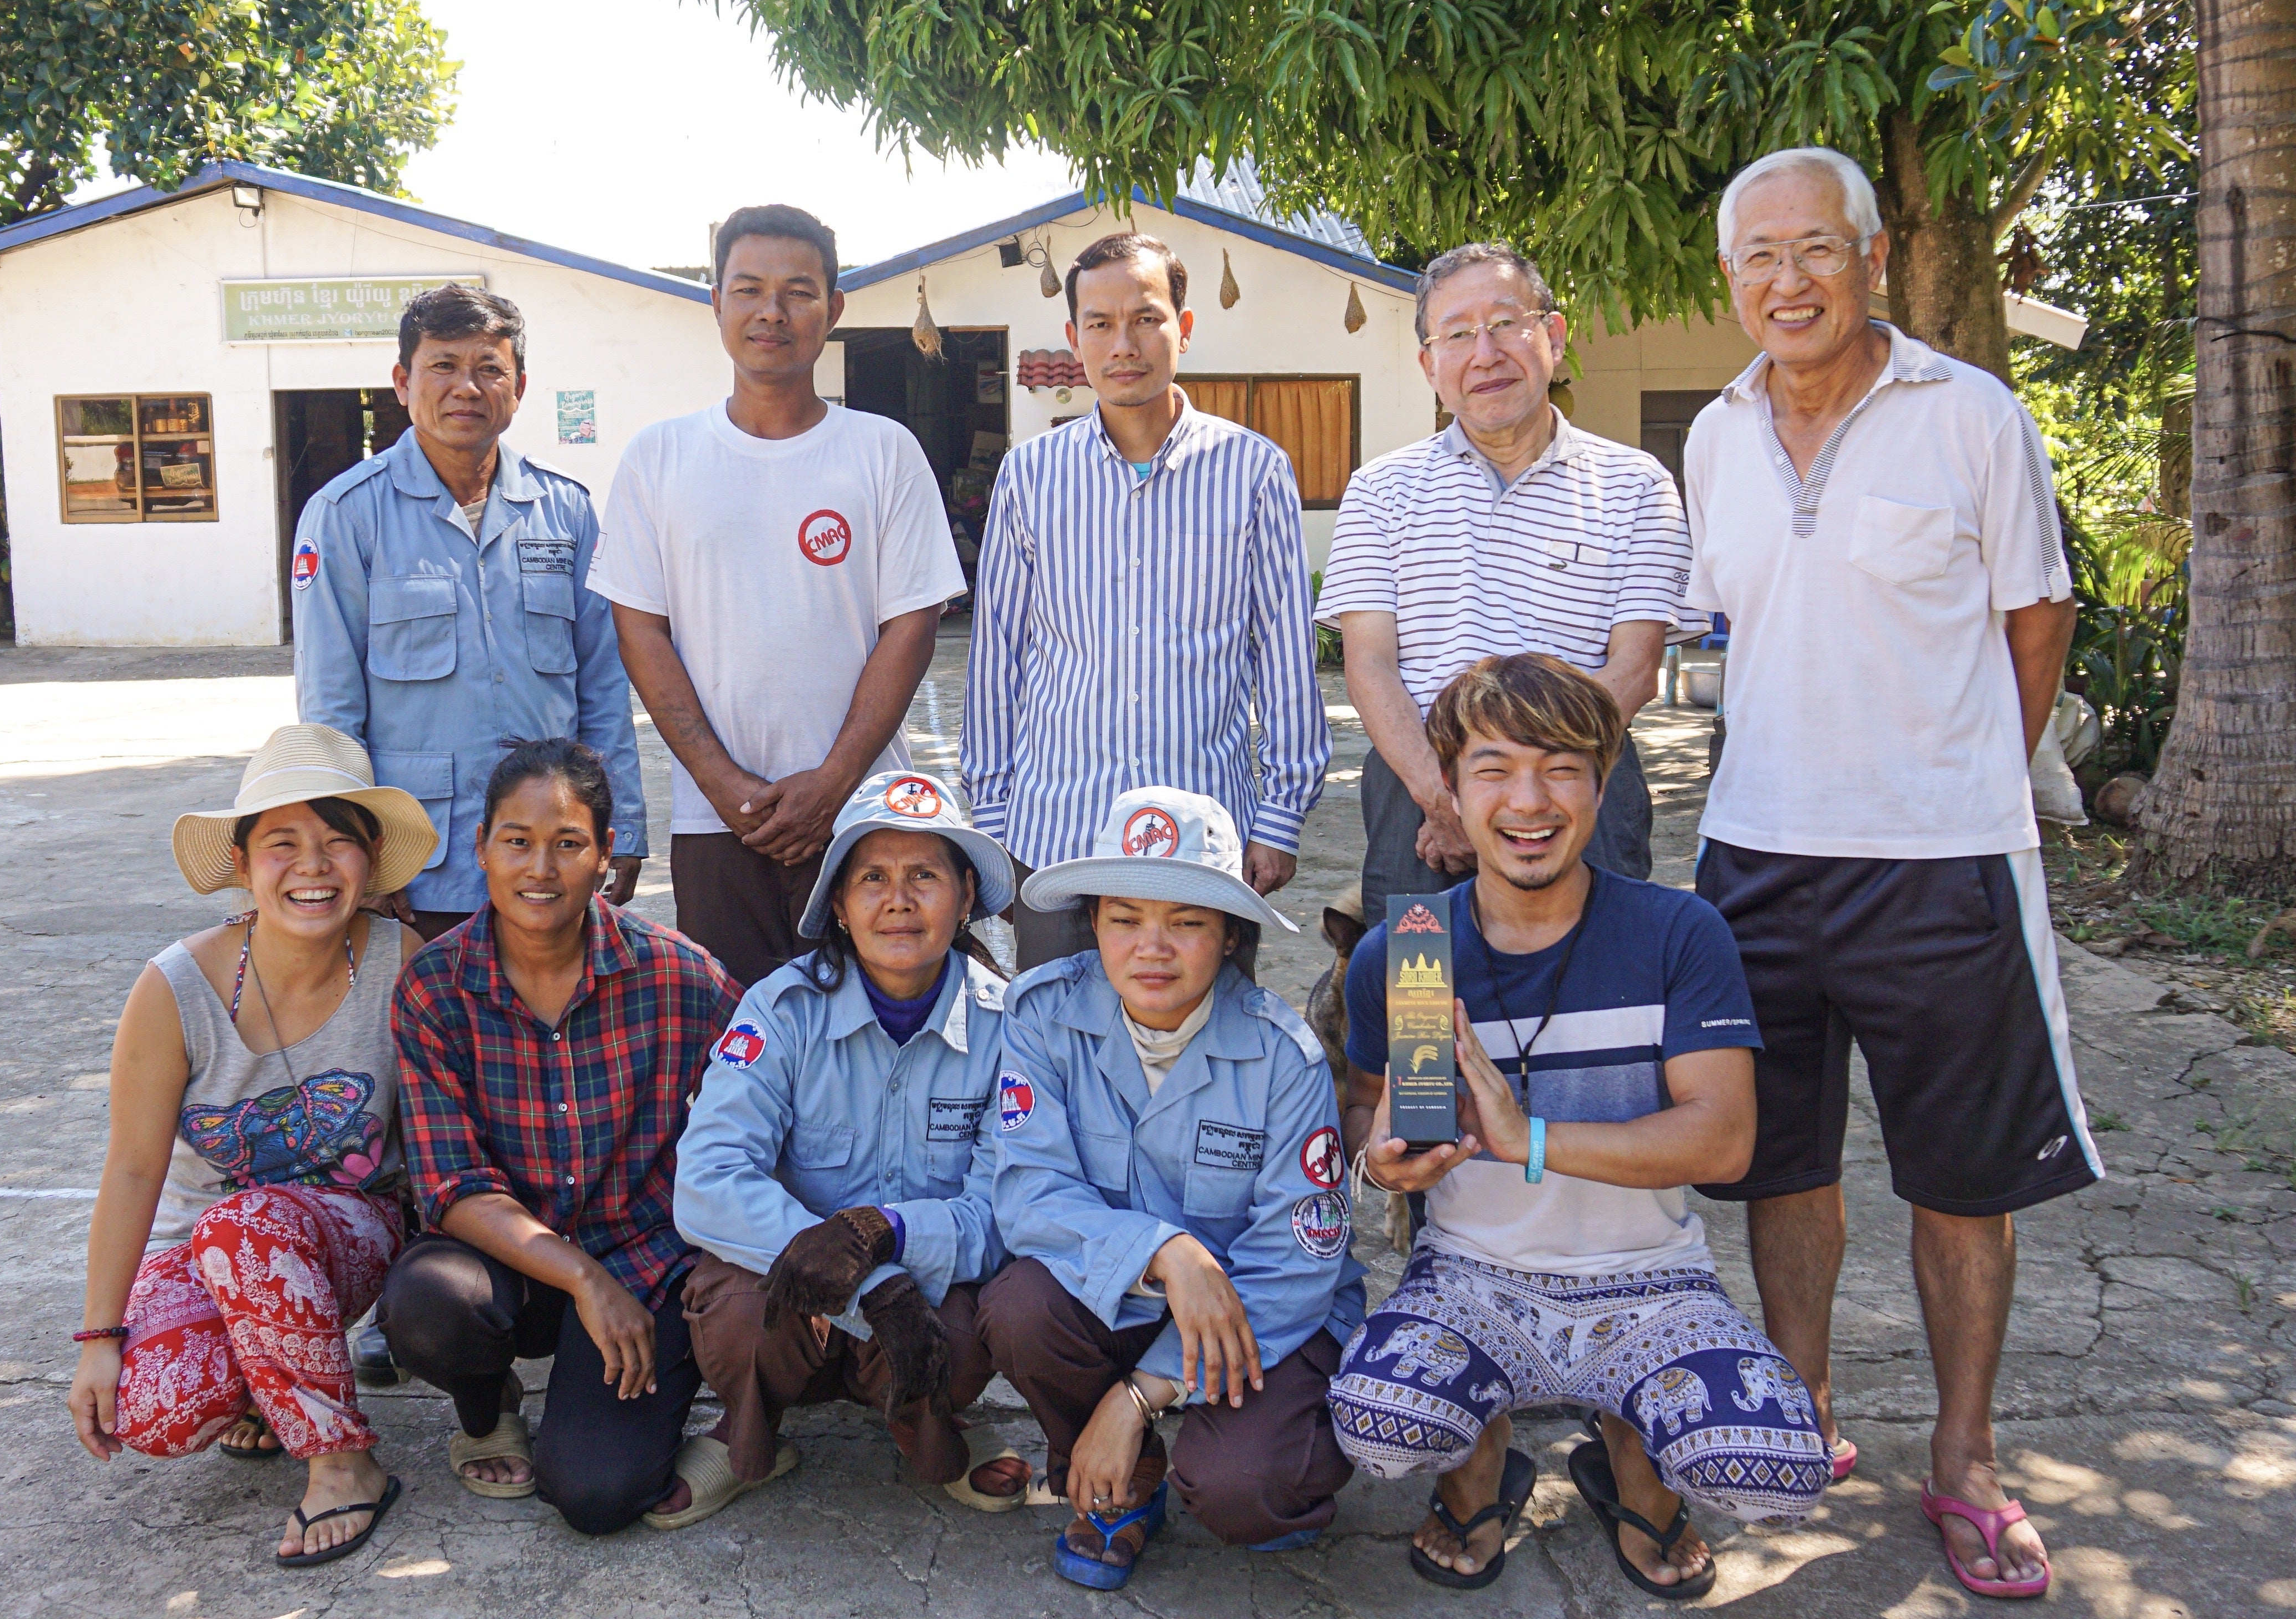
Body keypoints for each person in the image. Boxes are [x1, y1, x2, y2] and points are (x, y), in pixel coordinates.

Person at [1681, 146, 2090, 1601]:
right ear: (1731, 278)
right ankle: (1800, 1408)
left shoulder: (1971, 414)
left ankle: (1966, 1454)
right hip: (1756, 854)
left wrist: (1968, 778)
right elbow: (1735, 627)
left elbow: (2037, 618)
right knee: (1780, 1157)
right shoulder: (1716, 435)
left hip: (1940, 865)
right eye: (1759, 255)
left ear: (1869, 259)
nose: (1787, 280)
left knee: (1961, 1175)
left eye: (1816, 249)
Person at [1329, 655, 1827, 1600]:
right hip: (1472, 1278)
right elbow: (1363, 1102)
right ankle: (1482, 1459)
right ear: (1451, 791)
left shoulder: (1679, 934)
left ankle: (1628, 1446)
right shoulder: (1407, 951)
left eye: (1562, 769)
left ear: (1602, 785)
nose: (1529, 801)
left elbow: (1725, 1142)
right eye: (1494, 771)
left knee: (1772, 1472)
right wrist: (1382, 1157)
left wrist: (1531, 1138)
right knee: (1381, 1427)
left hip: (1655, 1284)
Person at [65, 724, 432, 1568]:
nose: (313, 866)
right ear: (241, 863)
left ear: (372, 859)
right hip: (204, 1242)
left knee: (249, 1225)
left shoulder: (399, 962)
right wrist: (100, 1338)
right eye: (283, 844)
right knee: (154, 1410)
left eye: (337, 841)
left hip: (347, 1235)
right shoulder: (174, 987)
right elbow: (133, 1169)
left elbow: (438, 1134)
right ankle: (273, 1388)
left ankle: (342, 1462)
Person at [984, 786, 1363, 1590]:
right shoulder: (1041, 1016)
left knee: (1245, 1495)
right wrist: (1166, 1251)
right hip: (1123, 1295)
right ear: (1093, 923)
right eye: (1125, 919)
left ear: (1231, 935)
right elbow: (1028, 1194)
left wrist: (1136, 1396)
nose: (1152, 948)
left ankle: (1160, 1435)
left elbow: (1297, 1265)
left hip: (1257, 1315)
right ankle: (1123, 1481)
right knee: (1018, 1306)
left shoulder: (1284, 1057)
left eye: (1187, 922)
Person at [592, 205, 967, 989]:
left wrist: (834, 782)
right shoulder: (659, 458)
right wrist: (725, 787)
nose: (772, 311)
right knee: (738, 1038)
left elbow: (911, 628)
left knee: (880, 1032)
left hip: (865, 818)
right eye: (748, 289)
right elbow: (640, 634)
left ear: (834, 308)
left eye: (798, 291)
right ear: (716, 303)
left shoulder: (883, 452)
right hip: (716, 825)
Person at [377, 738, 745, 1535]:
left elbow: (772, 1088)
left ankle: (676, 1409)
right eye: (518, 841)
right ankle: (487, 1407)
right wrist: (581, 1277)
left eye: (569, 843)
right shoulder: (435, 985)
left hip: (643, 1262)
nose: (540, 869)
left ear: (606, 854)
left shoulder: (677, 975)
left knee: (596, 1494)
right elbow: (450, 1186)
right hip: (505, 1264)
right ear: (482, 848)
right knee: (428, 1301)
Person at [668, 769, 1036, 1524]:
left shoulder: (1010, 1027)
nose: (898, 900)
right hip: (794, 1289)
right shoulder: (781, 1009)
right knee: (736, 1315)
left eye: (925, 876)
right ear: (837, 903)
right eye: (872, 878)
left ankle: (926, 1416)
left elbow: (1008, 1210)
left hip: (926, 1282)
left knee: (966, 1331)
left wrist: (888, 1235)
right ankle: (748, 1432)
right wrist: (861, 1282)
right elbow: (706, 1180)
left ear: (966, 895)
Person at [964, 231, 1327, 972]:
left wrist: (1280, 817)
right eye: (1100, 323)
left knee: (1207, 1041)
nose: (1123, 344)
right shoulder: (1031, 476)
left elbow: (1284, 655)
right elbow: (997, 658)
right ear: (1074, 339)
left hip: (1205, 846)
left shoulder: (1252, 471)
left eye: (1146, 319)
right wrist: (995, 823)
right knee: (1058, 1038)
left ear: (1183, 329)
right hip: (1057, 841)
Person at [1316, 241, 1691, 924]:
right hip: (1418, 790)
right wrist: (1447, 797)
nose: (1485, 354)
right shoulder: (1380, 491)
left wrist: (1526, 788)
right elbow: (1369, 667)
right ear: (1430, 366)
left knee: (1595, 980)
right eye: (1457, 335)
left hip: (1587, 782)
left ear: (1553, 335)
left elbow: (1636, 669)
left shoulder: (1636, 485)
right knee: (1424, 984)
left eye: (1505, 324)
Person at [294, 281, 647, 939]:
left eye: (490, 369)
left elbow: (603, 686)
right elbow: (330, 712)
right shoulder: (347, 515)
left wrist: (621, 823)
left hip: (550, 854)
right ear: (403, 382)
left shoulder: (564, 509)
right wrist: (357, 849)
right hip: (419, 862)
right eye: (444, 366)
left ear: (519, 386)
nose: (467, 388)